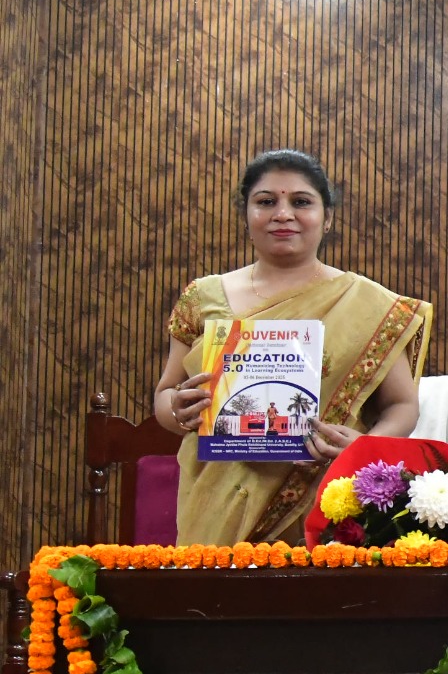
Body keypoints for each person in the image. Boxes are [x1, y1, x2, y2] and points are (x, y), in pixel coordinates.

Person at [153, 149, 431, 545]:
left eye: (301, 202)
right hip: (218, 503)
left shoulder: (368, 303)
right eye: (266, 202)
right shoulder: (204, 297)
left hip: (329, 498)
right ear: (246, 215)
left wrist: (363, 447)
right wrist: (178, 410)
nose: (283, 214)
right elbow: (166, 395)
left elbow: (402, 405)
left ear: (327, 217)